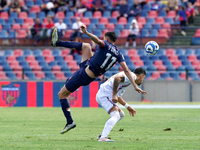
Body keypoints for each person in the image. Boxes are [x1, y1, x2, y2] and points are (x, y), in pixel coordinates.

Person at [51, 24, 147, 134]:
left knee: (61, 94)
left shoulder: (105, 44)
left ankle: (70, 122)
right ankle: (57, 43)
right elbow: (126, 70)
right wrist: (135, 86)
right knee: (86, 46)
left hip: (85, 73)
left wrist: (86, 32)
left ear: (106, 38)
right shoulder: (118, 53)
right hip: (89, 72)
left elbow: (97, 40)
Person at [96, 68, 146, 142]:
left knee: (121, 114)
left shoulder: (128, 78)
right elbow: (117, 78)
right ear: (141, 76)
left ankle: (103, 134)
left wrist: (127, 106)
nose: (142, 81)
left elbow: (118, 97)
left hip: (104, 93)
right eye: (143, 79)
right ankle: (103, 137)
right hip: (106, 94)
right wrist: (114, 95)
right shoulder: (132, 76)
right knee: (115, 115)